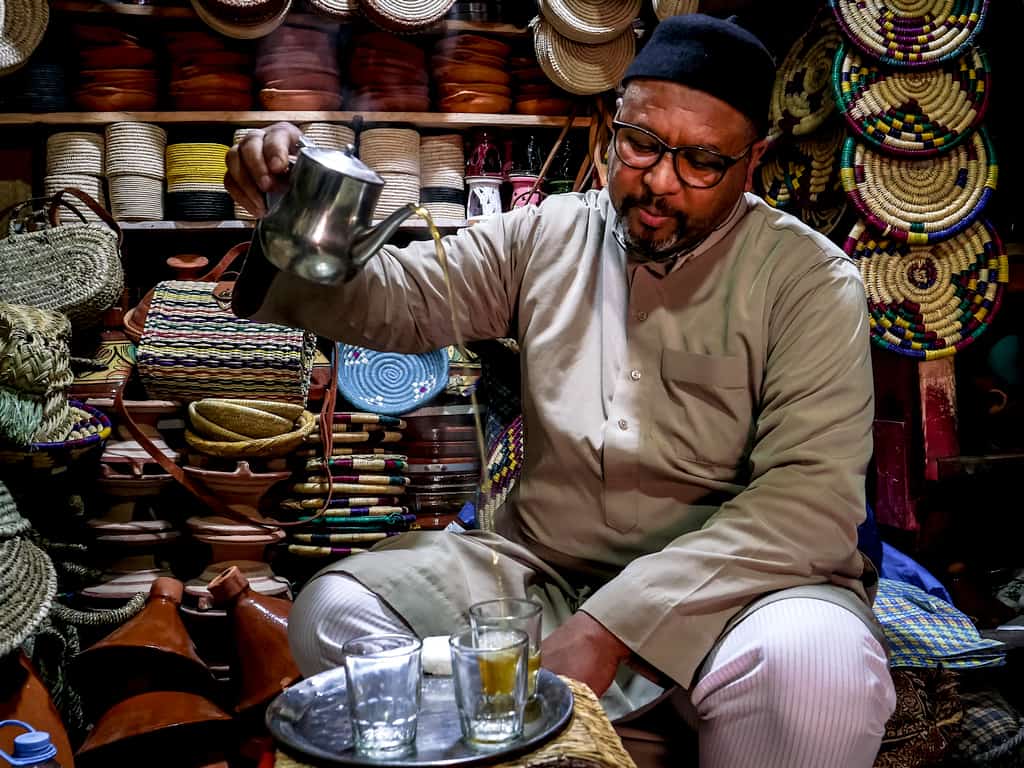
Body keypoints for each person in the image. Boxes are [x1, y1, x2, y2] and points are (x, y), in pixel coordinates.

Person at [225, 14, 896, 767]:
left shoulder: (807, 282)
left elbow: (809, 505)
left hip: (732, 599)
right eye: (642, 144)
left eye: (703, 160)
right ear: (614, 129)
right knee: (334, 610)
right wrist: (285, 212)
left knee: (819, 669)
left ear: (754, 162)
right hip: (541, 575)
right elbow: (398, 299)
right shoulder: (547, 234)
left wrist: (613, 626)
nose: (661, 181)